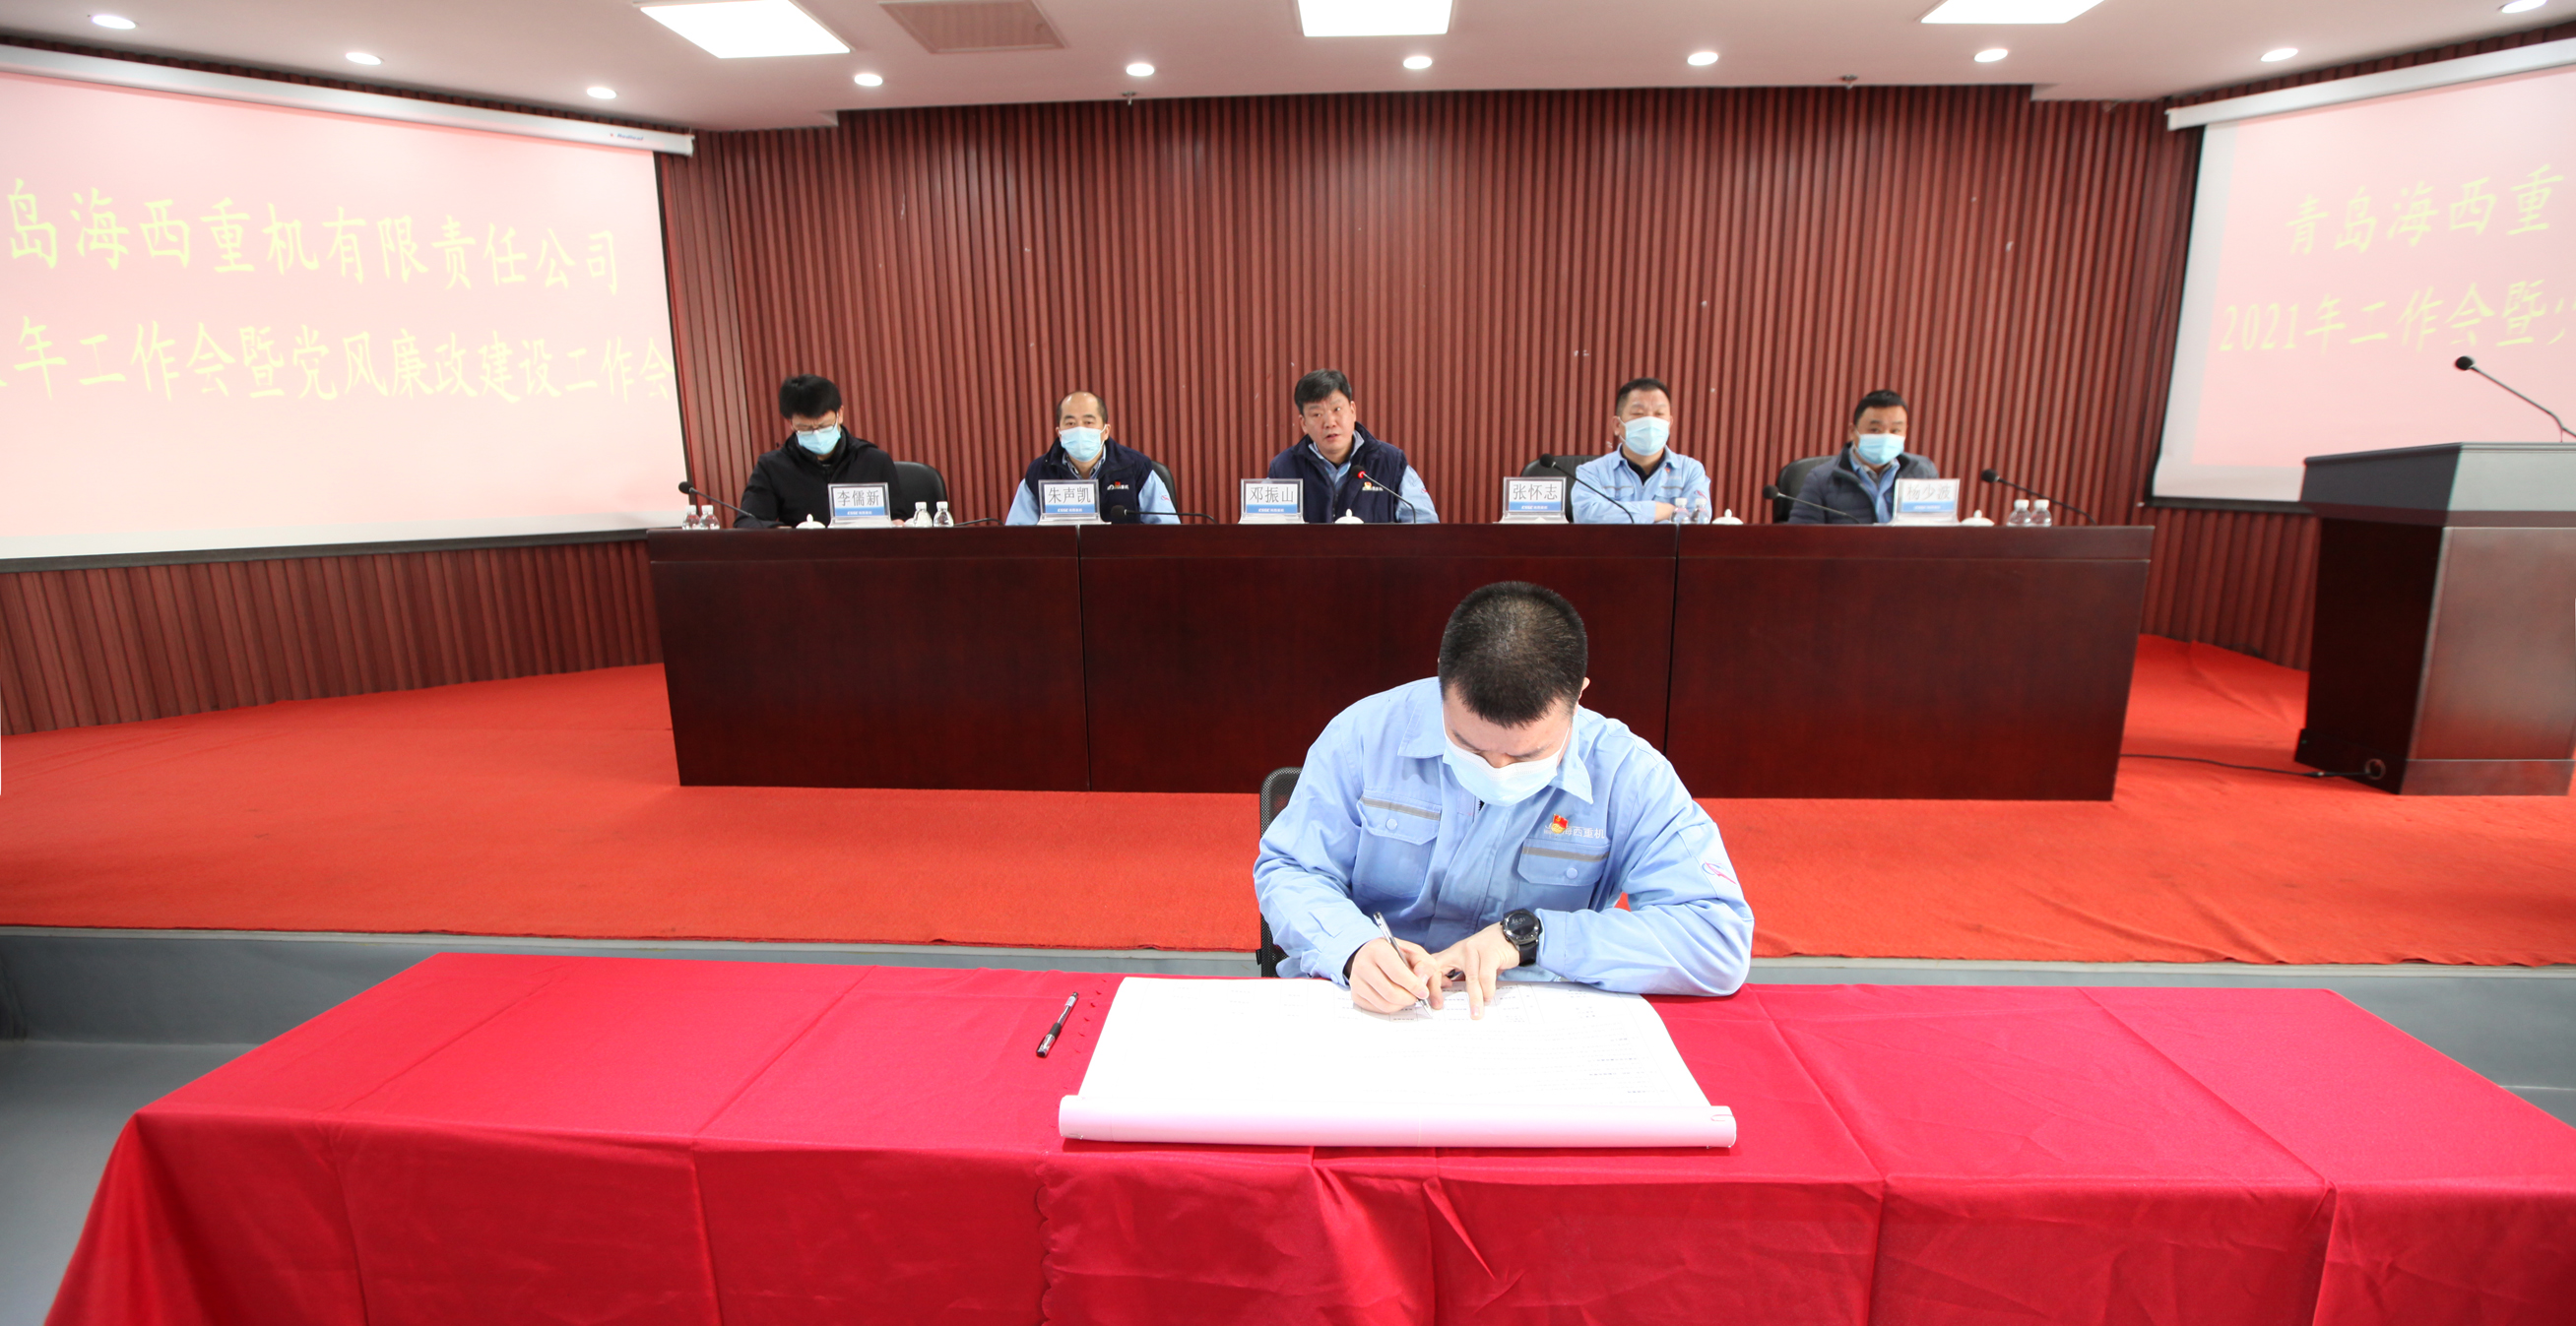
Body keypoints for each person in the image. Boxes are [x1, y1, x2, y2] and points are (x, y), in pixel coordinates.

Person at [1255, 582, 1754, 1015]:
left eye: (1527, 755)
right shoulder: (1365, 735)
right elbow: (1291, 869)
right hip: (1370, 1005)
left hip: (1529, 1010)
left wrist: (1532, 938)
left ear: (1578, 695)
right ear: (1442, 678)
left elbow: (1716, 937)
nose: (1496, 770)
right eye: (1469, 746)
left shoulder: (1628, 774)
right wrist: (1351, 947)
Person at [1265, 369, 1439, 523]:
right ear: (1303, 423)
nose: (1329, 422)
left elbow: (1424, 527)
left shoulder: (1390, 463)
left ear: (1353, 410)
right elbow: (1262, 529)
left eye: (1337, 409)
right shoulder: (1284, 469)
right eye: (1317, 414)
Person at [738, 374, 913, 526]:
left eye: (824, 426)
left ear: (840, 414)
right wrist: (785, 533)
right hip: (804, 552)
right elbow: (748, 522)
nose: (816, 434)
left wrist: (898, 524)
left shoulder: (874, 461)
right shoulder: (772, 467)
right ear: (790, 423)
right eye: (805, 428)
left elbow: (897, 517)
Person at [1005, 391, 1177, 524]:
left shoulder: (1136, 467)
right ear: (1059, 433)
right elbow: (1017, 534)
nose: (1079, 429)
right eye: (1070, 423)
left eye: (1088, 422)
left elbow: (1166, 530)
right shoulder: (1039, 471)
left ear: (1105, 431)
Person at [1571, 377, 1712, 524]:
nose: (1650, 421)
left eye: (1659, 414)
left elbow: (1697, 523)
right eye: (1638, 414)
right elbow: (1586, 515)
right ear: (1617, 425)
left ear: (1669, 424)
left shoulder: (1690, 471)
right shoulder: (1592, 472)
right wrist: (1657, 511)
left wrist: (1621, 520)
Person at [1789, 389, 1938, 524]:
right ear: (1852, 431)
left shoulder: (1922, 471)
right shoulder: (1821, 479)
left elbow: (1937, 528)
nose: (1886, 437)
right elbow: (1801, 537)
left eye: (1895, 430)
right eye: (1875, 430)